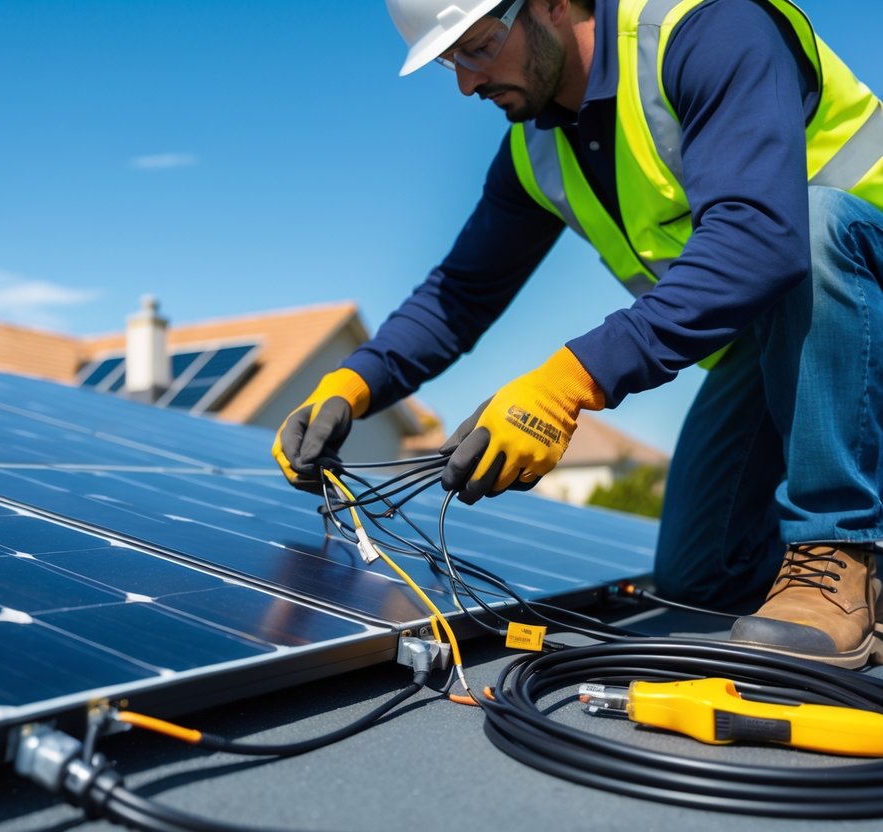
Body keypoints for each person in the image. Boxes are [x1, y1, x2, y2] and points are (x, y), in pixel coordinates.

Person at [273, 0, 883, 668]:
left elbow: (759, 242)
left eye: (475, 47)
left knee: (818, 222)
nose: (465, 83)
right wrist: (353, 382)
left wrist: (566, 385)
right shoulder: (537, 149)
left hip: (861, 295)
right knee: (698, 575)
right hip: (790, 349)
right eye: (450, 61)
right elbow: (460, 292)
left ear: (552, 5)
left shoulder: (707, 29)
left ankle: (841, 555)